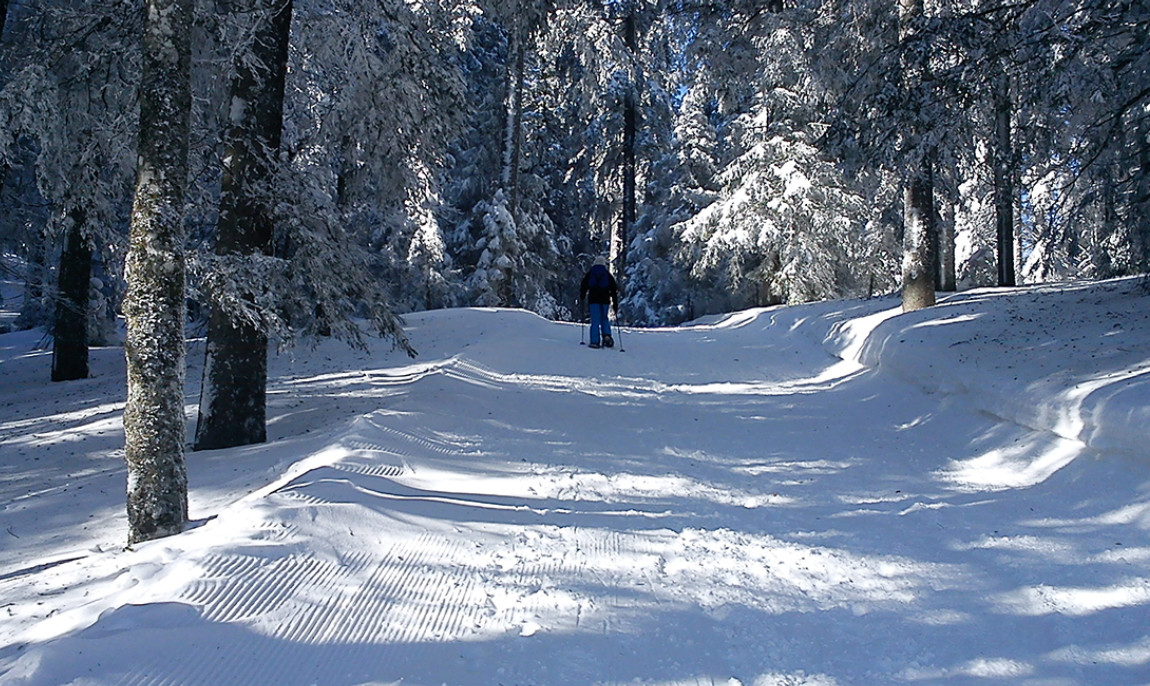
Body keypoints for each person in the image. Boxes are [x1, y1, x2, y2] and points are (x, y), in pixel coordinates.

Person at [580, 255, 618, 349]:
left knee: (595, 321)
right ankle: (607, 336)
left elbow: (583, 286)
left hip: (593, 300)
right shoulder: (607, 274)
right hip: (605, 300)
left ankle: (595, 341)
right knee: (604, 318)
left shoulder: (590, 273)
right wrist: (615, 303)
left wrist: (582, 297)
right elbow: (613, 289)